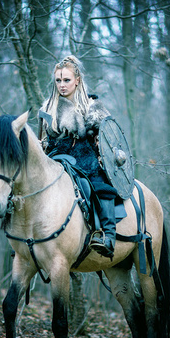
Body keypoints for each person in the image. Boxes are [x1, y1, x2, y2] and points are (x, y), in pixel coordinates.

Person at [38, 55, 118, 258]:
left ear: (77, 80)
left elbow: (107, 140)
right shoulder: (48, 107)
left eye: (66, 80)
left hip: (84, 155)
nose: (62, 85)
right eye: (58, 80)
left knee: (99, 184)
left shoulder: (92, 107)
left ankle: (108, 236)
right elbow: (45, 140)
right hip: (56, 155)